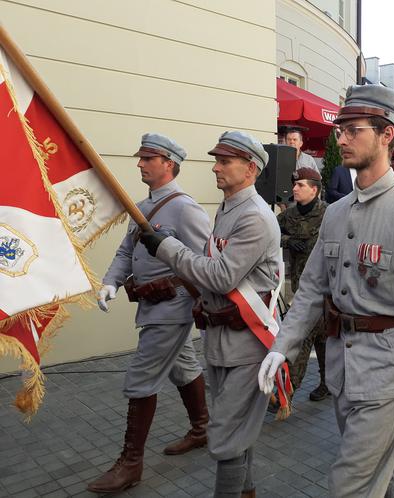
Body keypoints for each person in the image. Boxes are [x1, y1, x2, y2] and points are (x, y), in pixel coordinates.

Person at [258, 84, 394, 497]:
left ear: (387, 135)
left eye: (354, 130)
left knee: (348, 485)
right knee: (379, 481)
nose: (343, 139)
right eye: (340, 130)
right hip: (343, 371)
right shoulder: (335, 213)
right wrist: (282, 346)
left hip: (388, 376)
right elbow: (313, 288)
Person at [139, 131, 281, 498]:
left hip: (247, 342)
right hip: (221, 339)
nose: (215, 167)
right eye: (216, 160)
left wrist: (167, 247)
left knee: (225, 438)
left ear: (250, 169)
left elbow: (220, 276)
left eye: (224, 161)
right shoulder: (228, 208)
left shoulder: (255, 217)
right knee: (237, 430)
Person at [88, 133, 211, 494]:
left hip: (173, 307)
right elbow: (126, 251)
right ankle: (201, 429)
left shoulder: (186, 208)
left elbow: (204, 261)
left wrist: (206, 305)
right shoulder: (140, 206)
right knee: (183, 366)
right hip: (150, 304)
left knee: (141, 378)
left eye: (148, 158)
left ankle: (131, 463)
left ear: (168, 163)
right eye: (141, 158)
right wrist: (111, 282)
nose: (140, 163)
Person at [278, 167, 329, 401]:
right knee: (314, 335)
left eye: (300, 185)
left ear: (315, 189)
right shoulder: (288, 215)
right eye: (294, 185)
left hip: (327, 288)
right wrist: (288, 240)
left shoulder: (330, 214)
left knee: (312, 336)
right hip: (302, 287)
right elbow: (268, 233)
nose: (295, 189)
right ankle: (326, 383)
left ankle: (287, 392)